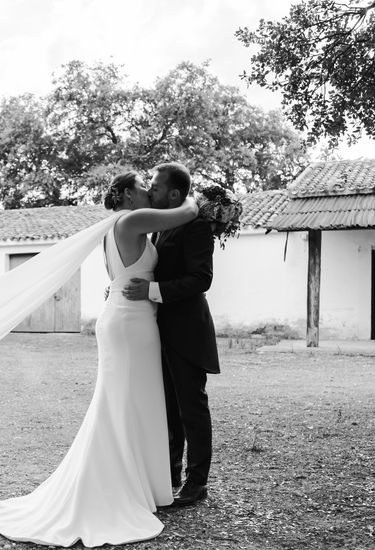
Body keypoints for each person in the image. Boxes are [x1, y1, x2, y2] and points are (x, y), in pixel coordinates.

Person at [0, 171, 199, 547]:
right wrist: (205, 201)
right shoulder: (130, 220)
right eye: (142, 186)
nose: (148, 190)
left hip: (127, 317)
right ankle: (114, 487)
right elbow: (185, 212)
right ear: (127, 196)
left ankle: (134, 483)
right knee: (122, 405)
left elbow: (124, 274)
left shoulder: (115, 226)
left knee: (126, 404)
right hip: (130, 324)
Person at [123, 162, 220, 507]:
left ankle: (197, 484)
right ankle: (169, 476)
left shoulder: (195, 226)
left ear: (175, 194)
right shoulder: (160, 227)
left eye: (156, 186)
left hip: (188, 331)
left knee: (191, 408)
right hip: (158, 331)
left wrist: (151, 291)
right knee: (167, 409)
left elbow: (201, 279)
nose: (151, 190)